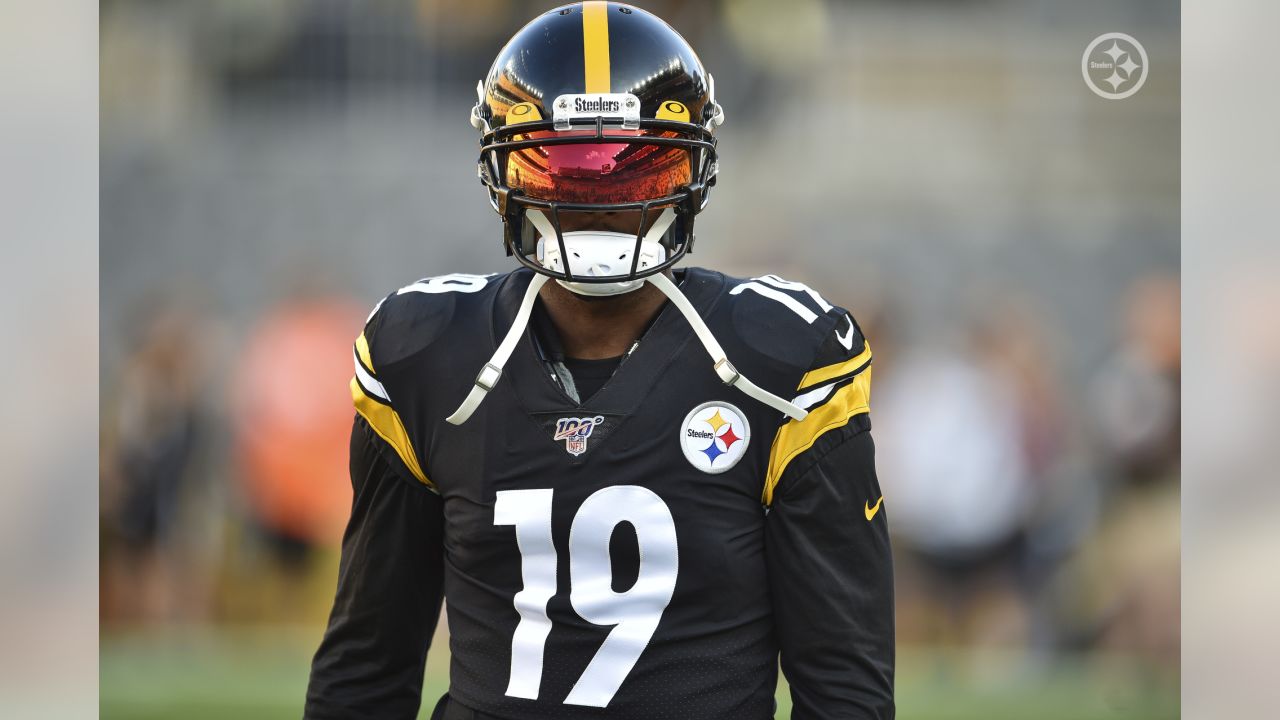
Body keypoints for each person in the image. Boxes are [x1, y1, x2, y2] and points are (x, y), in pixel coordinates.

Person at [305, 4, 893, 718]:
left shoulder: (779, 362)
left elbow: (844, 689)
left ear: (695, 166)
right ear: (501, 170)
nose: (600, 199)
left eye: (637, 170)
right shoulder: (427, 353)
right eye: (560, 168)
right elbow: (367, 665)